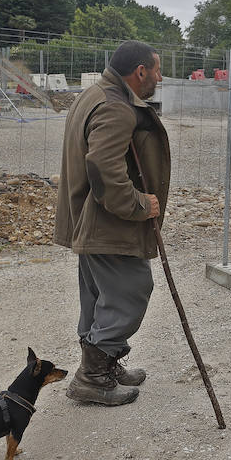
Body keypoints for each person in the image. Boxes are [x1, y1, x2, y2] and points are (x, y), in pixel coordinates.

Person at [54, 40, 170, 406]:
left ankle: (104, 365)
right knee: (129, 292)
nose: (160, 77)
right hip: (108, 224)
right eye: (157, 70)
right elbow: (104, 171)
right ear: (140, 72)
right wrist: (140, 205)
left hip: (90, 221)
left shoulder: (94, 94)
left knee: (98, 297)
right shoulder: (115, 107)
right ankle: (93, 377)